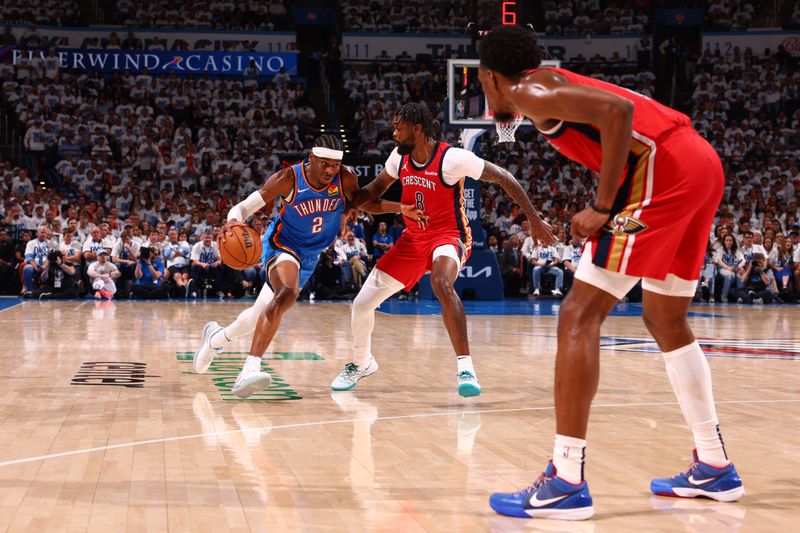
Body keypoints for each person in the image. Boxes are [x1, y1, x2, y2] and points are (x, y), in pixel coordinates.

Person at [478, 26, 744, 520]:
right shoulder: (547, 85)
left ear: (489, 75)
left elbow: (616, 112)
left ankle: (566, 478)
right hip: (699, 166)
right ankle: (713, 464)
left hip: (662, 174)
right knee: (665, 319)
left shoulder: (528, 88)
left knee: (578, 314)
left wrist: (603, 207)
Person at [330, 103, 554, 396]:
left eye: (399, 127)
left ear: (418, 129)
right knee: (361, 304)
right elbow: (372, 192)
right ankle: (362, 363)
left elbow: (503, 176)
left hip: (449, 237)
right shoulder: (399, 158)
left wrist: (534, 220)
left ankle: (466, 369)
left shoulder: (453, 158)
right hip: (413, 240)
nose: (394, 133)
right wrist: (343, 199)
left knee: (440, 282)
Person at [191, 135, 426, 398]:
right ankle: (249, 369)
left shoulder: (345, 178)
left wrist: (400, 208)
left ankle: (215, 340)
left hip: (310, 255)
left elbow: (363, 202)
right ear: (311, 158)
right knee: (287, 293)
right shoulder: (288, 178)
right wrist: (233, 222)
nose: (329, 170)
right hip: (282, 244)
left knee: (258, 315)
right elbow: (244, 207)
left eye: (334, 165)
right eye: (324, 164)